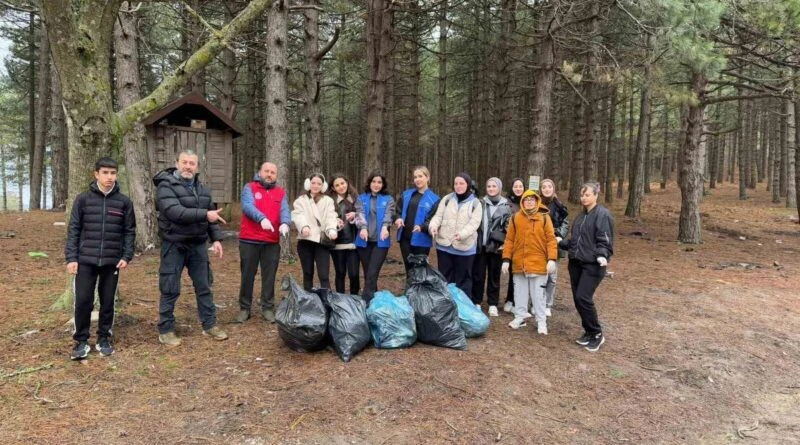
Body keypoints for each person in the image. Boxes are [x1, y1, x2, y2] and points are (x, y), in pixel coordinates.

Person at [154, 150, 228, 346]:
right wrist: (205, 215)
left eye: (192, 163)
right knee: (170, 287)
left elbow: (212, 216)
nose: (188, 166)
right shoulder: (165, 185)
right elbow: (174, 212)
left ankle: (210, 324)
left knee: (204, 286)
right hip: (174, 243)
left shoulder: (202, 188)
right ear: (177, 163)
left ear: (197, 167)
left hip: (198, 244)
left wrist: (216, 239)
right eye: (184, 162)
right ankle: (166, 329)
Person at [65, 157, 136, 360]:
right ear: (96, 174)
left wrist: (126, 255)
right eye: (105, 173)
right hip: (85, 260)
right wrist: (71, 258)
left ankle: (104, 338)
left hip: (111, 261)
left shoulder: (124, 202)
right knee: (83, 301)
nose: (109, 177)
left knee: (107, 302)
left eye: (113, 173)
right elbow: (74, 230)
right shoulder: (83, 200)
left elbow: (129, 231)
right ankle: (80, 342)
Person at [560, 182, 614, 352]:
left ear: (596, 195)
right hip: (576, 263)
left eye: (587, 195)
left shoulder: (603, 215)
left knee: (584, 297)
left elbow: (604, 240)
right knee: (578, 299)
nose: (584, 198)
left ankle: (597, 334)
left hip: (593, 265)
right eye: (582, 195)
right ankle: (589, 331)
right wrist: (561, 243)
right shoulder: (580, 216)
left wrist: (602, 255)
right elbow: (576, 241)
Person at [236, 162, 291, 324]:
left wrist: (285, 223)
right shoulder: (250, 188)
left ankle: (267, 307)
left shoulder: (280, 193)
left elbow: (285, 210)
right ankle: (244, 308)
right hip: (249, 240)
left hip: (271, 242)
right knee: (247, 275)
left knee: (269, 276)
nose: (269, 174)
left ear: (276, 175)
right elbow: (247, 206)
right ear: (260, 172)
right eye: (266, 171)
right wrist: (262, 218)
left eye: (273, 172)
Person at [501, 190, 558, 335]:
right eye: (526, 200)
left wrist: (552, 259)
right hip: (519, 263)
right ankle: (519, 317)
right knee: (519, 293)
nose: (529, 202)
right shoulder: (515, 218)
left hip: (538, 264)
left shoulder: (544, 218)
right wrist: (506, 259)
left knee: (538, 296)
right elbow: (509, 240)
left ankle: (541, 321)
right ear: (522, 202)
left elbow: (551, 240)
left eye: (532, 199)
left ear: (537, 201)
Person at [429, 172, 482, 301]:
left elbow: (474, 224)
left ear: (468, 185)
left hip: (464, 248)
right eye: (456, 183)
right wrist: (433, 226)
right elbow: (438, 216)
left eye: (461, 183)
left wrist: (461, 234)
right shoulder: (447, 199)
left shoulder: (475, 203)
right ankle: (446, 306)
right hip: (444, 246)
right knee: (445, 277)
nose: (458, 186)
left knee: (463, 279)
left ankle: (463, 307)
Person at [471, 177, 512, 317]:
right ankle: (476, 301)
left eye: (494, 186)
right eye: (489, 186)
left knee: (494, 277)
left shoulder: (506, 206)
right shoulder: (480, 204)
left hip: (496, 247)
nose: (491, 189)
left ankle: (493, 303)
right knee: (478, 275)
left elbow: (509, 229)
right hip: (481, 246)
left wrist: (504, 244)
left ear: (499, 188)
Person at [291, 173, 338, 291]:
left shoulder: (328, 201)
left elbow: (331, 216)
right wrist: (303, 227)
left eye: (319, 183)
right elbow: (298, 215)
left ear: (323, 186)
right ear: (308, 184)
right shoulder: (300, 200)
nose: (315, 186)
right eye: (313, 183)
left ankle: (327, 302)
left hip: (321, 242)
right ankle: (309, 302)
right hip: (305, 240)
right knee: (307, 273)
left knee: (324, 275)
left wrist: (331, 228)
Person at [355, 172, 395, 304]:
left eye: (379, 182)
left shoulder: (388, 199)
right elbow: (359, 214)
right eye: (374, 182)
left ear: (382, 184)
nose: (376, 184)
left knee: (372, 273)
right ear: (369, 183)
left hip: (380, 242)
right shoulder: (361, 198)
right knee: (368, 274)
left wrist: (385, 227)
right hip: (364, 241)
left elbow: (389, 215)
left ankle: (365, 303)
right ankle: (374, 302)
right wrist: (363, 227)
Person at [393, 166, 439, 272]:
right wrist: (398, 218)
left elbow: (434, 220)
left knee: (420, 271)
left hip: (422, 240)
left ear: (427, 178)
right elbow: (397, 211)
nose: (417, 179)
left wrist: (422, 227)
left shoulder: (435, 199)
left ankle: (419, 289)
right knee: (409, 269)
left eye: (420, 176)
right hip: (405, 239)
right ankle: (410, 289)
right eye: (415, 177)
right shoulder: (406, 194)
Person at [539, 178, 569, 317]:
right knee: (538, 275)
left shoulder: (560, 205)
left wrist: (559, 236)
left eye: (549, 187)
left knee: (552, 277)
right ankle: (536, 302)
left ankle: (547, 304)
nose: (546, 189)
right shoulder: (536, 204)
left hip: (554, 244)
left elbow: (565, 223)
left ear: (553, 189)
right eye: (544, 187)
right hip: (539, 244)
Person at [328, 173, 360, 295]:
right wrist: (334, 221)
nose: (341, 187)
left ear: (347, 183)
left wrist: (355, 215)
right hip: (337, 243)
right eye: (337, 185)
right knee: (340, 273)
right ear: (333, 188)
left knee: (354, 274)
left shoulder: (356, 199)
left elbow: (363, 217)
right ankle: (340, 301)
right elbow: (326, 218)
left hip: (354, 243)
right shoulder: (330, 202)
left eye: (342, 183)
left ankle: (355, 300)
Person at [502, 178, 526, 313]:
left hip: (526, 244)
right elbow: (504, 222)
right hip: (511, 242)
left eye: (520, 186)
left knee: (523, 273)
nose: (518, 189)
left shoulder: (528, 202)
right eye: (515, 186)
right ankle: (509, 299)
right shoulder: (507, 203)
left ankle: (520, 302)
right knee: (513, 273)